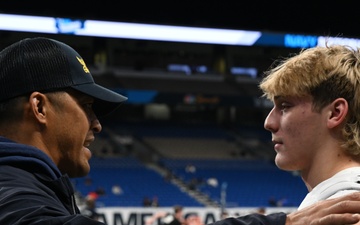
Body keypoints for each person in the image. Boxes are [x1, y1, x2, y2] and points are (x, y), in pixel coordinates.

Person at [1, 37, 360, 225]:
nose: (96, 124)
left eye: (283, 106)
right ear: (39, 108)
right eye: (87, 106)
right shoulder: (14, 194)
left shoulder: (343, 206)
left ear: (336, 113)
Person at [259, 44, 360, 211]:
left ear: (335, 113)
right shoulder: (333, 201)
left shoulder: (343, 210)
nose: (269, 123)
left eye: (285, 106)